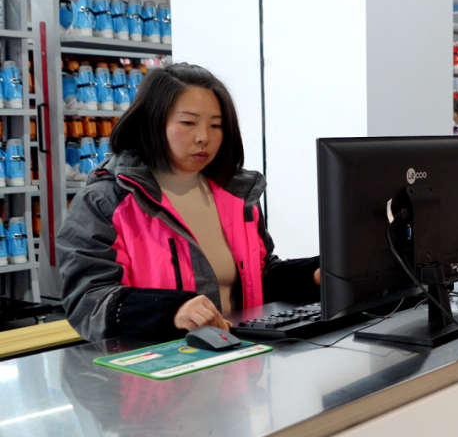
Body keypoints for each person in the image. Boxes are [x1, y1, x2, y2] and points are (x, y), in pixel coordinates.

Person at [57, 63, 321, 341]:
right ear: (152, 122)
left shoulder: (237, 196)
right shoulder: (105, 203)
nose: (203, 137)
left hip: (238, 357)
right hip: (157, 362)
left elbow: (259, 276)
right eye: (188, 123)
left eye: (216, 125)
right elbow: (88, 301)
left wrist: (314, 274)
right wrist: (170, 311)